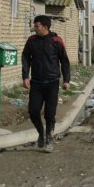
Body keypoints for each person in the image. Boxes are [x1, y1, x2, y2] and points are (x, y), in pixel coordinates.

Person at [22, 15, 70, 153]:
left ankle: (49, 139)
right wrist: (25, 76)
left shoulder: (56, 40)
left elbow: (64, 61)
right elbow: (25, 57)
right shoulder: (31, 41)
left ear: (45, 27)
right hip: (36, 82)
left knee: (50, 113)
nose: (34, 28)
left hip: (52, 82)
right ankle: (41, 133)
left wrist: (66, 80)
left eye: (36, 26)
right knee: (33, 111)